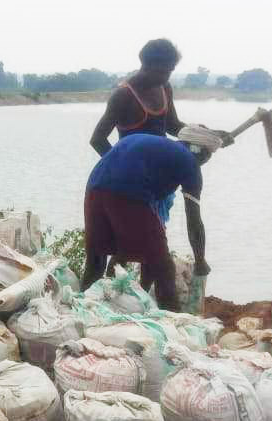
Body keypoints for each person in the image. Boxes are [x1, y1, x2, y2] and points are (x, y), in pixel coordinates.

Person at [89, 37, 229, 223]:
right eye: (164, 71)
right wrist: (123, 169)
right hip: (134, 182)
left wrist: (207, 135)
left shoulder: (164, 87)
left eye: (170, 71)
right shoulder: (123, 96)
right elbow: (97, 140)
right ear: (148, 65)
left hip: (161, 176)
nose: (167, 76)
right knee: (139, 237)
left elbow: (172, 125)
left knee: (153, 233)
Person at [81, 132, 210, 310]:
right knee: (164, 267)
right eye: (207, 158)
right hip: (129, 193)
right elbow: (194, 220)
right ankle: (170, 324)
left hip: (95, 186)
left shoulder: (157, 145)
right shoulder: (190, 163)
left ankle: (81, 310)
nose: (204, 163)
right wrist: (200, 259)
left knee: (96, 261)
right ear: (201, 152)